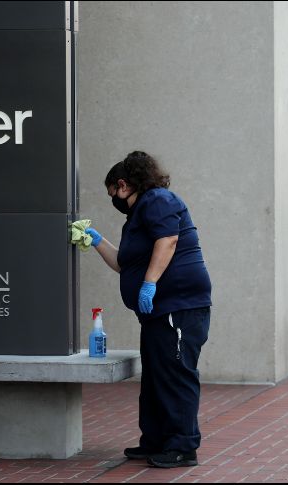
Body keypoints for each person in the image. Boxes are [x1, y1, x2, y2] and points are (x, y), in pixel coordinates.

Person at [85, 151, 212, 468]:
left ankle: (183, 446)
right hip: (157, 311)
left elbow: (168, 240)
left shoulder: (158, 200)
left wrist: (150, 283)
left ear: (124, 184)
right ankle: (155, 441)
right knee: (156, 377)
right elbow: (122, 264)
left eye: (112, 192)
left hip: (178, 306)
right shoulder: (138, 217)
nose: (112, 198)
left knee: (175, 375)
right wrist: (96, 240)